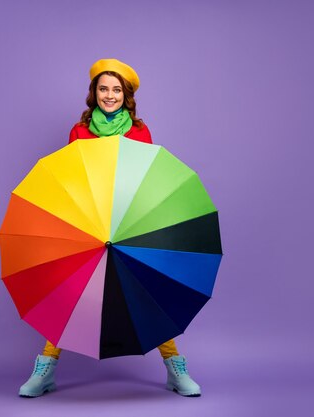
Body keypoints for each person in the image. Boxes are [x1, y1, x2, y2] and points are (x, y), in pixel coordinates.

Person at [18, 59, 201, 398]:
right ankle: (45, 370)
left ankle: (176, 369)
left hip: (130, 221)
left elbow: (148, 179)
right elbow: (71, 178)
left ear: (126, 95)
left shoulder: (139, 131)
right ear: (94, 93)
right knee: (69, 292)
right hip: (89, 220)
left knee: (148, 292)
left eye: (117, 90)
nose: (110, 95)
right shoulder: (80, 130)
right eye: (104, 89)